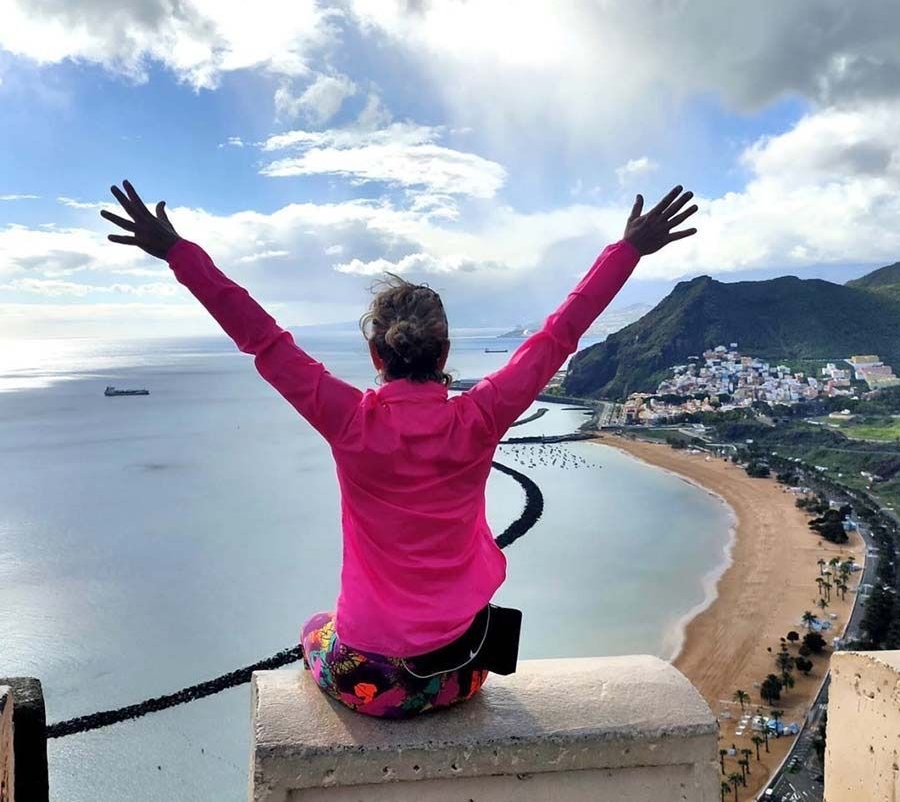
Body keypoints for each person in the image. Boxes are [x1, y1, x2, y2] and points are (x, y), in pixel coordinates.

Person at [102, 180, 698, 718]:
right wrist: (626, 251)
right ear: (443, 357)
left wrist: (177, 252)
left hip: (370, 680)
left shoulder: (349, 422)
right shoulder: (480, 416)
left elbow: (263, 340)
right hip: (461, 672)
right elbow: (557, 336)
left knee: (314, 628)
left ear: (375, 357)